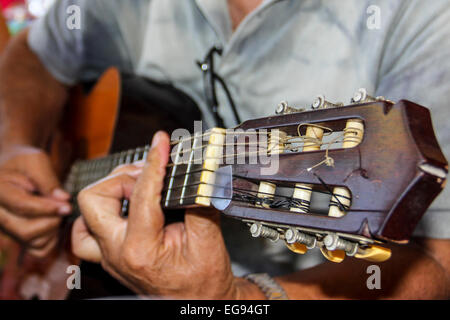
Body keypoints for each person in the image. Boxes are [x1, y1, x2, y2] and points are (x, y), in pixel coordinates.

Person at [0, 0, 449, 299]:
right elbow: (34, 55)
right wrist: (13, 145)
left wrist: (233, 301)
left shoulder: (423, 17)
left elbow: (438, 260)